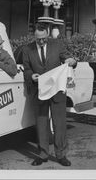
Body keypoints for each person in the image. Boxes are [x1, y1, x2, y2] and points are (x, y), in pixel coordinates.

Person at [22, 23, 76, 167]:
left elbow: (68, 58)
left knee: (60, 123)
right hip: (39, 91)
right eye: (38, 39)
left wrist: (72, 61)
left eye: (44, 38)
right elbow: (26, 68)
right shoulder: (27, 49)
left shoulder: (57, 44)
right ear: (34, 36)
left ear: (47, 34)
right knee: (41, 123)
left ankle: (61, 155)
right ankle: (43, 154)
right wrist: (31, 75)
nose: (41, 42)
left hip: (57, 90)